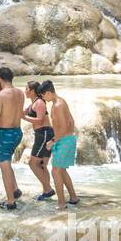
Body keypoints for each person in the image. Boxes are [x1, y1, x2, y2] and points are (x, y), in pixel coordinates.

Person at [0, 67, 26, 210]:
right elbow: (16, 113)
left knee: (5, 166)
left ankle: (10, 201)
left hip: (4, 134)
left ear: (0, 79)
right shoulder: (20, 93)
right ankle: (15, 190)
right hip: (17, 133)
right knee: (7, 163)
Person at [42, 80, 80, 211]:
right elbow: (71, 121)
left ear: (48, 92)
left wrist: (52, 141)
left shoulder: (58, 105)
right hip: (64, 139)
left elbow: (63, 127)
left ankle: (61, 202)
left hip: (64, 140)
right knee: (61, 170)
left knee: (56, 170)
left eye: (44, 96)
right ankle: (73, 198)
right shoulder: (59, 102)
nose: (44, 100)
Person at [23, 80, 55, 200]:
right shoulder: (33, 103)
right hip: (42, 133)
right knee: (42, 165)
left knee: (33, 163)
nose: (25, 91)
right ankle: (46, 191)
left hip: (44, 133)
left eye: (26, 89)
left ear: (32, 91)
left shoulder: (40, 103)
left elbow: (40, 120)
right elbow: (21, 113)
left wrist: (24, 117)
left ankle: (48, 189)